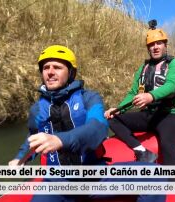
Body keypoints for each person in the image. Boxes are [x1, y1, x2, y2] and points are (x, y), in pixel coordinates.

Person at [9, 45, 165, 202]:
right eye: (45, 68)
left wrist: (60, 140)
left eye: (57, 67)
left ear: (70, 72)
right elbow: (34, 136)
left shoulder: (89, 98)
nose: (50, 72)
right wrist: (21, 158)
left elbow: (98, 128)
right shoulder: (37, 109)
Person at [104, 20, 175, 165]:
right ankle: (142, 151)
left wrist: (150, 96)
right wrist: (118, 109)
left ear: (165, 45)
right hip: (150, 114)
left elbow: (172, 86)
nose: (155, 47)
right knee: (112, 118)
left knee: (168, 145)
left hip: (171, 114)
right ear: (148, 48)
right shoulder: (143, 68)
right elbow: (133, 93)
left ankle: (173, 185)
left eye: (159, 43)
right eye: (151, 45)